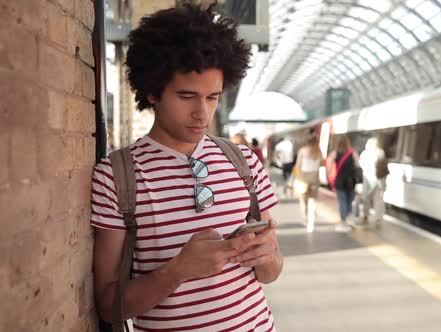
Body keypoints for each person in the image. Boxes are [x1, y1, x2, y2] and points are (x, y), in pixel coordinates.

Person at [90, 5, 283, 331]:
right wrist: (177, 271)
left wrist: (266, 257)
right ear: (152, 91)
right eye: (186, 96)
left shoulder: (245, 162)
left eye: (212, 98)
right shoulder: (116, 177)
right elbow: (110, 306)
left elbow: (272, 272)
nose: (202, 114)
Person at [326, 136, 359, 232]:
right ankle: (349, 219)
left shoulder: (335, 153)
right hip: (351, 181)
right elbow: (358, 165)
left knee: (342, 202)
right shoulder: (353, 152)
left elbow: (329, 166)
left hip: (339, 181)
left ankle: (344, 221)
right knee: (349, 201)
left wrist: (329, 176)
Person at [293, 136, 323, 232]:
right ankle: (311, 223)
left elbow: (297, 166)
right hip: (314, 178)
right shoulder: (319, 152)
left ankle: (305, 218)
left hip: (303, 178)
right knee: (312, 200)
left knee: (303, 201)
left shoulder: (302, 151)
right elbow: (322, 164)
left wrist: (296, 177)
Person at [358, 137, 386, 227]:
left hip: (368, 180)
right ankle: (378, 218)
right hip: (379, 180)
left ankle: (365, 216)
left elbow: (361, 165)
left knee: (366, 199)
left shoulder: (365, 153)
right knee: (378, 200)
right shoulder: (381, 152)